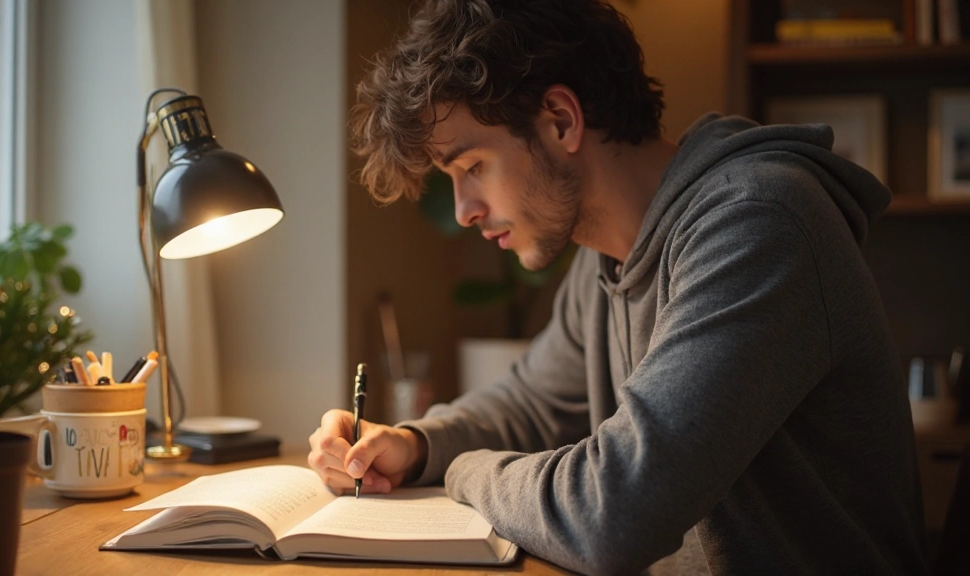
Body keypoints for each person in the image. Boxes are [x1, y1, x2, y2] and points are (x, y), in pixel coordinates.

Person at [307, 1, 929, 574]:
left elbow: (616, 509)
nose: (464, 209)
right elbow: (531, 405)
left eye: (472, 167)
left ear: (560, 120)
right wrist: (415, 446)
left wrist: (463, 471)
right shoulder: (604, 256)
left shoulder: (759, 223)